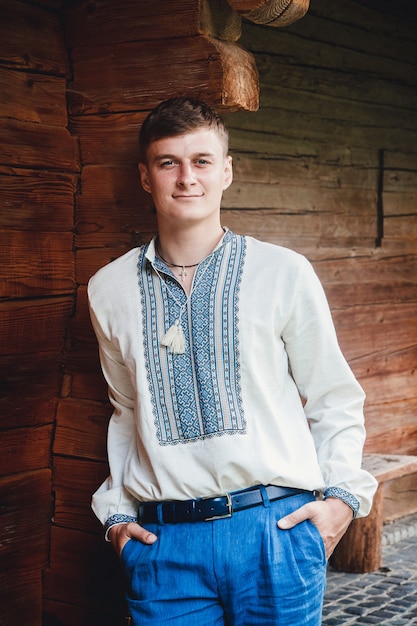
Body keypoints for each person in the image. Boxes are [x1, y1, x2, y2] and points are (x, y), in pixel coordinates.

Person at [88, 97, 377, 625]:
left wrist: (339, 502)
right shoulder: (108, 290)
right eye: (167, 162)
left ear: (226, 171)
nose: (186, 178)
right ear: (145, 177)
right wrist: (117, 521)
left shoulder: (283, 272)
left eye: (201, 161)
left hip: (275, 531)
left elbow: (333, 396)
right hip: (162, 543)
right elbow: (126, 413)